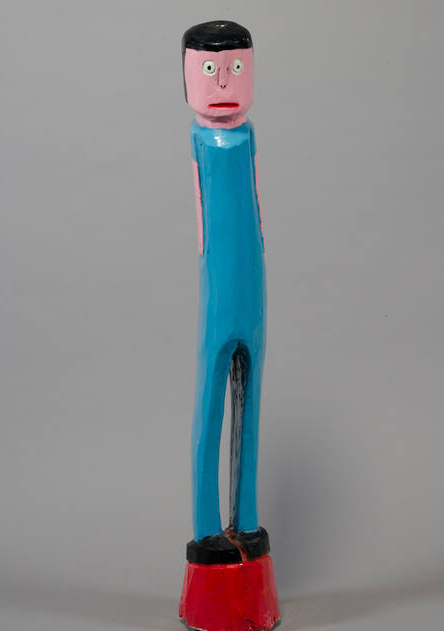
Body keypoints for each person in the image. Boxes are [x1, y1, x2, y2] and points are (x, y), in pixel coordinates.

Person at [182, 21, 269, 562]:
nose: (222, 84)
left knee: (251, 402)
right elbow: (203, 224)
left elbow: (256, 208)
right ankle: (207, 526)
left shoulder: (248, 137)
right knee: (212, 398)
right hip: (219, 291)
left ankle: (248, 519)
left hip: (254, 289)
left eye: (235, 68)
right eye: (211, 70)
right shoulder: (201, 140)